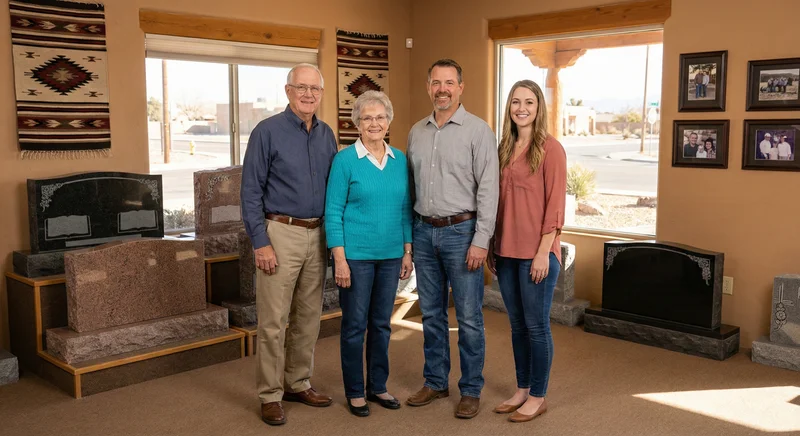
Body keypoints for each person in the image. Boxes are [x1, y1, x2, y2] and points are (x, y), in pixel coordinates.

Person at [241, 63, 338, 426]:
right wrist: (260, 242)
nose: (309, 94)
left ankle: (298, 382)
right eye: (302, 87)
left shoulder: (328, 134)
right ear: (288, 91)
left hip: (319, 234)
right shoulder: (266, 132)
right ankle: (269, 394)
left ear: (321, 93)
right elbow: (250, 191)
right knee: (272, 322)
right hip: (279, 234)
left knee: (309, 318)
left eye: (315, 88)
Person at [405, 58, 499, 419]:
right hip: (424, 231)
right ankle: (435, 380)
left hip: (463, 234)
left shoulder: (478, 130)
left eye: (449, 82)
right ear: (428, 87)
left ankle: (471, 388)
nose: (441, 89)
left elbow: (489, 190)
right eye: (435, 82)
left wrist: (481, 239)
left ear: (461, 87)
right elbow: (409, 188)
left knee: (470, 318)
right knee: (430, 314)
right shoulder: (416, 131)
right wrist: (409, 240)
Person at [324, 90, 413, 417]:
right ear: (356, 123)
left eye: (380, 117)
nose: (374, 123)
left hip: (391, 256)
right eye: (367, 118)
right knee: (354, 325)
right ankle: (355, 391)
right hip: (356, 258)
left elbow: (405, 208)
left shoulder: (399, 160)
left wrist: (407, 250)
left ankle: (378, 386)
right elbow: (333, 211)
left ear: (388, 121)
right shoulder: (345, 160)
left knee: (381, 324)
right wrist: (340, 258)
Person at [486, 80, 566, 424]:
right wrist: (490, 243)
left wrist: (542, 252)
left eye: (529, 102)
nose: (522, 108)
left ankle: (538, 395)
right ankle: (522, 388)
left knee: (536, 326)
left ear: (539, 108)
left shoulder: (551, 149)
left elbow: (556, 207)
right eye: (516, 101)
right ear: (509, 107)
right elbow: (494, 200)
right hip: (504, 252)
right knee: (517, 326)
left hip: (537, 253)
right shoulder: (503, 147)